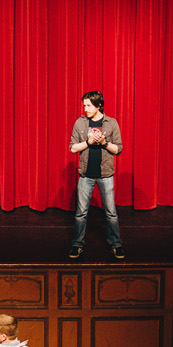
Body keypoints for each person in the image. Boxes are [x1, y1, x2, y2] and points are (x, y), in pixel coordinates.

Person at [69, 90, 124, 260]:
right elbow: (72, 148)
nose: (85, 108)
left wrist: (104, 142)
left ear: (99, 105)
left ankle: (116, 244)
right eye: (84, 105)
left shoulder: (111, 123)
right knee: (81, 213)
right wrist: (88, 142)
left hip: (106, 175)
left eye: (89, 105)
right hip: (86, 175)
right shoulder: (80, 123)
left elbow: (118, 149)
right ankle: (77, 245)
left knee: (111, 212)